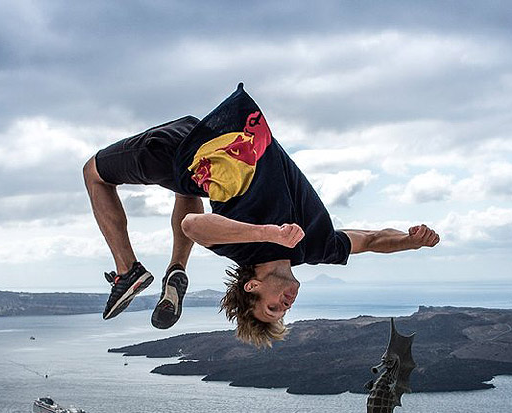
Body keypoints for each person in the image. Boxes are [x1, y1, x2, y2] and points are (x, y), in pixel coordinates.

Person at [83, 84, 440, 346]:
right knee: (190, 187)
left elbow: (194, 225)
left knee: (94, 173)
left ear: (252, 286)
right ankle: (176, 270)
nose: (285, 306)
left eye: (272, 309)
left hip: (183, 149)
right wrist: (410, 242)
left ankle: (128, 269)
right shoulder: (315, 248)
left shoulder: (243, 248)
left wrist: (267, 233)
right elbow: (372, 240)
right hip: (215, 145)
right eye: (282, 313)